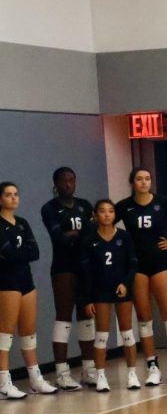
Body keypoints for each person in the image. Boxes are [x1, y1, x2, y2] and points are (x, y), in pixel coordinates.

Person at [115, 168, 167, 385]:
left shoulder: (163, 203)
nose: (144, 182)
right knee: (144, 317)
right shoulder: (124, 206)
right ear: (132, 182)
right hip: (137, 266)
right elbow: (105, 223)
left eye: (147, 179)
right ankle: (152, 366)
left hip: (161, 263)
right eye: (139, 179)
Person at [0, 181, 57, 397]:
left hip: (26, 281)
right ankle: (4, 382)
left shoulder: (22, 223)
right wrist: (17, 253)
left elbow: (35, 252)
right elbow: (7, 253)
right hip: (6, 282)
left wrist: (16, 253)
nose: (14, 198)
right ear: (0, 198)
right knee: (5, 334)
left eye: (16, 194)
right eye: (8, 194)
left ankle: (35, 379)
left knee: (28, 332)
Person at [39, 166, 93, 390]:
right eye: (64, 181)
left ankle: (88, 368)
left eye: (72, 180)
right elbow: (59, 239)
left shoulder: (85, 205)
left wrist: (74, 235)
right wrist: (74, 236)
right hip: (63, 266)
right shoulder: (50, 208)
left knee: (86, 315)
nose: (69, 184)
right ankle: (61, 372)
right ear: (56, 183)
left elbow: (90, 234)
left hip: (84, 266)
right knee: (64, 315)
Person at [80, 200, 141, 391]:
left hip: (121, 288)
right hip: (100, 291)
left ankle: (132, 374)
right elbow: (86, 272)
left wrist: (126, 283)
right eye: (102, 211)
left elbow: (133, 264)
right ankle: (100, 376)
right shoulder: (89, 240)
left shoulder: (124, 237)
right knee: (101, 335)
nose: (107, 214)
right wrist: (88, 298)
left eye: (110, 211)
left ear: (115, 215)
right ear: (96, 215)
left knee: (127, 333)